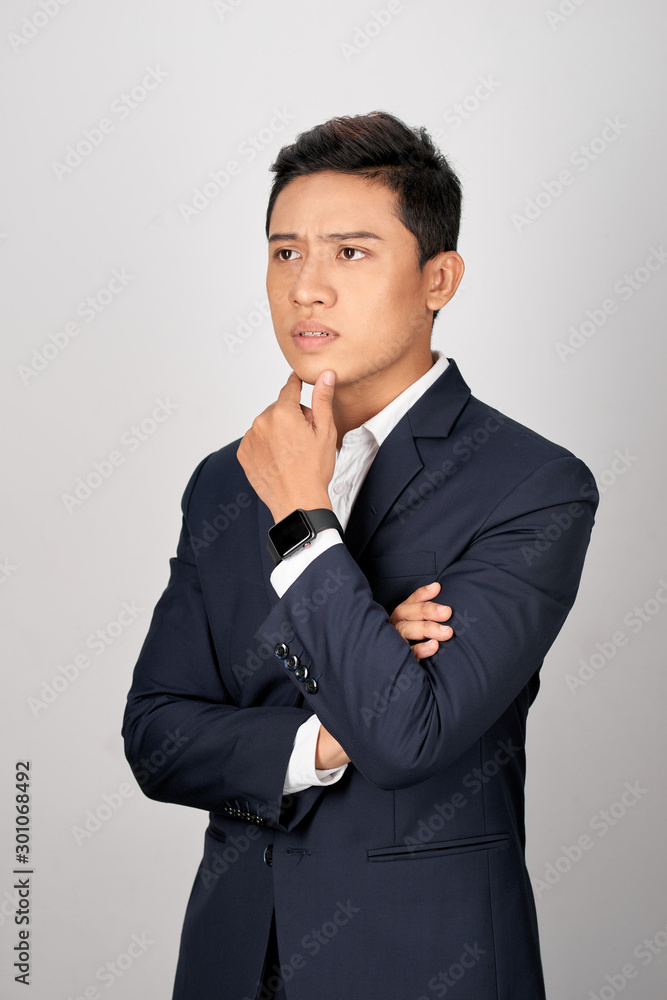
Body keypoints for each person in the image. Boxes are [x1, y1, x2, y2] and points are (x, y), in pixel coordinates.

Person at [122, 110, 599, 1000]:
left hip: (420, 960)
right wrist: (336, 722)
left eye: (349, 253)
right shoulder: (225, 481)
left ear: (438, 278)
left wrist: (304, 516)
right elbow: (154, 738)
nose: (306, 288)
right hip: (231, 961)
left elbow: (409, 734)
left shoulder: (532, 483)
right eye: (284, 253)